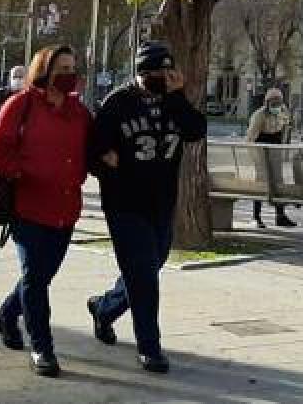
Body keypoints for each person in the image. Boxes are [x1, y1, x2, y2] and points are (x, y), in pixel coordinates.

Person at [86, 41, 206, 375]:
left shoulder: (174, 102)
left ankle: (104, 308)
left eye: (165, 74)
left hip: (162, 203)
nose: (160, 79)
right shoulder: (118, 103)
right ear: (140, 73)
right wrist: (105, 161)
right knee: (144, 277)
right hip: (125, 204)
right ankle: (149, 347)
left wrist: (177, 95)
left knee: (150, 268)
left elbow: (196, 130)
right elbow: (92, 147)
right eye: (153, 74)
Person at [0, 45, 91, 378]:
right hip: (28, 207)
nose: (68, 74)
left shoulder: (79, 111)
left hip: (65, 209)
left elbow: (96, 146)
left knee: (42, 275)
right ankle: (42, 347)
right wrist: (23, 172)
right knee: (35, 278)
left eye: (72, 68)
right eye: (61, 68)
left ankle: (6, 314)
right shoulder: (22, 104)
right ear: (44, 70)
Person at [246, 88, 296, 228]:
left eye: (279, 102)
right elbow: (250, 138)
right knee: (261, 183)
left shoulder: (283, 111)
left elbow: (286, 127)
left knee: (279, 182)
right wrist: (255, 157)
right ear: (267, 102)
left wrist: (284, 147)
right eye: (273, 103)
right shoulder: (259, 115)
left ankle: (280, 216)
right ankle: (256, 217)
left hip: (276, 149)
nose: (276, 105)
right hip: (261, 148)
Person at [0, 65, 27, 132]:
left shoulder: (30, 97)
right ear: (10, 78)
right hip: (1, 132)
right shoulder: (0, 94)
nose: (18, 80)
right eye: (15, 77)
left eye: (21, 77)